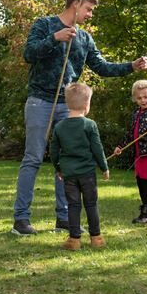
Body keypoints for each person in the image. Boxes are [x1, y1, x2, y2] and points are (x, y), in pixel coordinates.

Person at [11, 0, 147, 236]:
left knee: (67, 162)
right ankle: (21, 220)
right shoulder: (44, 25)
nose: (90, 14)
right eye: (88, 9)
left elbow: (101, 66)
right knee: (33, 159)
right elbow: (29, 54)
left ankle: (64, 218)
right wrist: (55, 38)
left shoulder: (85, 38)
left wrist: (131, 66)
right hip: (39, 102)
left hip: (69, 107)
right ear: (75, 4)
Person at [50, 82, 108, 250]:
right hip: (87, 174)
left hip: (69, 175)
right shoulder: (89, 125)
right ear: (86, 104)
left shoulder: (60, 126)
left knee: (73, 206)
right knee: (91, 204)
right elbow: (97, 148)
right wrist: (104, 167)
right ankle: (96, 237)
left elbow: (54, 151)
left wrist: (58, 168)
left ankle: (74, 239)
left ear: (68, 104)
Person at [113, 80, 147, 225]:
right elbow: (131, 133)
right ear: (135, 99)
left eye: (145, 97)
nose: (143, 100)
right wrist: (121, 146)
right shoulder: (136, 113)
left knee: (145, 183)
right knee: (140, 182)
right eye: (139, 98)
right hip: (139, 153)